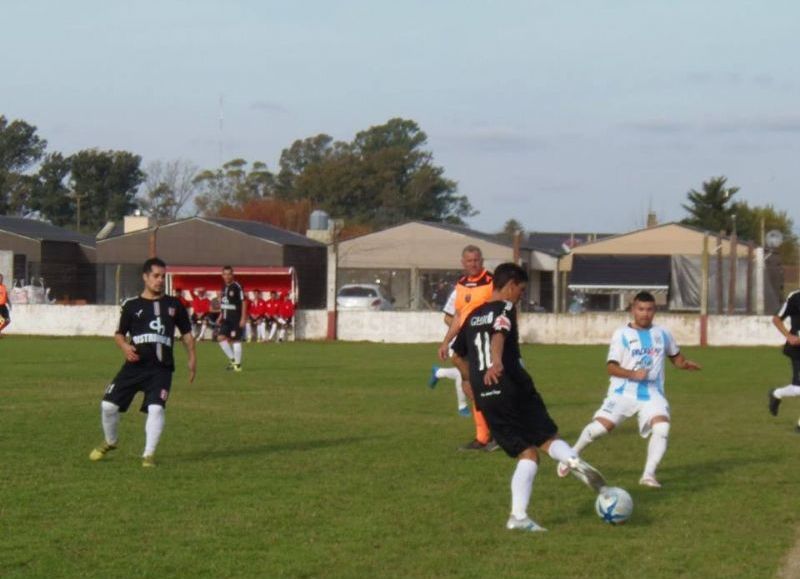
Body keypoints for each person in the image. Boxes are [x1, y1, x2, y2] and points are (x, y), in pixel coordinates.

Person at [451, 262, 606, 532]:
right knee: (544, 440)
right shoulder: (506, 308)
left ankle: (520, 517)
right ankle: (571, 461)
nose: (521, 296)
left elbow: (457, 354)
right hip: (512, 386)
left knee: (528, 452)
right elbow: (499, 334)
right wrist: (496, 362)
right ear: (510, 286)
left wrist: (468, 380)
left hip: (487, 396)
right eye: (521, 290)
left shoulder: (474, 315)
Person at [557, 291, 701, 488]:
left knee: (662, 427)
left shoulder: (663, 333)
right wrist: (632, 374)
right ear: (633, 309)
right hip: (623, 392)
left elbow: (675, 357)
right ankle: (571, 454)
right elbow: (611, 367)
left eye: (649, 309)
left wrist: (684, 365)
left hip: (652, 393)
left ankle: (648, 475)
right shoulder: (622, 334)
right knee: (600, 429)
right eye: (641, 309)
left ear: (655, 311)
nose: (645, 314)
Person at [89, 257, 196, 468]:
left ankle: (148, 455)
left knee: (156, 409)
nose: (159, 280)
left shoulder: (174, 305)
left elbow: (186, 334)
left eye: (162, 277)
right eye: (156, 276)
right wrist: (125, 347)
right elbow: (119, 334)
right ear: (145, 277)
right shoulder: (131, 305)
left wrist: (192, 358)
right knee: (108, 405)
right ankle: (111, 441)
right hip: (134, 367)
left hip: (161, 369)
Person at [435, 245, 497, 451]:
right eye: (469, 261)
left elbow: (502, 312)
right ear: (463, 263)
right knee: (468, 385)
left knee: (480, 387)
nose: (474, 264)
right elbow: (458, 316)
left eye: (477, 260)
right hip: (466, 338)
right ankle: (484, 436)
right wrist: (446, 341)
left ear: (482, 260)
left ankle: (488, 435)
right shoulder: (462, 284)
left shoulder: (491, 282)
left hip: (485, 340)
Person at [428, 288, 471, 417]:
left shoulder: (484, 289)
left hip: (477, 339)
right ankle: (462, 406)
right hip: (460, 340)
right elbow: (447, 318)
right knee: (462, 370)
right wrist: (464, 329)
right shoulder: (459, 291)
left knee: (468, 370)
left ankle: (439, 372)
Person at [768, 289, 800, 431]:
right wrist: (789, 336)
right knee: (798, 388)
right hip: (798, 350)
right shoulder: (795, 297)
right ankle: (777, 393)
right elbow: (776, 319)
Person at [217, 265, 247, 371]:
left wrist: (243, 318)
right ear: (222, 275)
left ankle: (237, 366)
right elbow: (224, 303)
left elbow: (244, 301)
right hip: (226, 319)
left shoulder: (237, 286)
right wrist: (220, 316)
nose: (227, 276)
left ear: (232, 275)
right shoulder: (223, 287)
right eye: (225, 274)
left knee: (236, 340)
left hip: (236, 319)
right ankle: (233, 360)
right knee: (220, 338)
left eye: (229, 274)